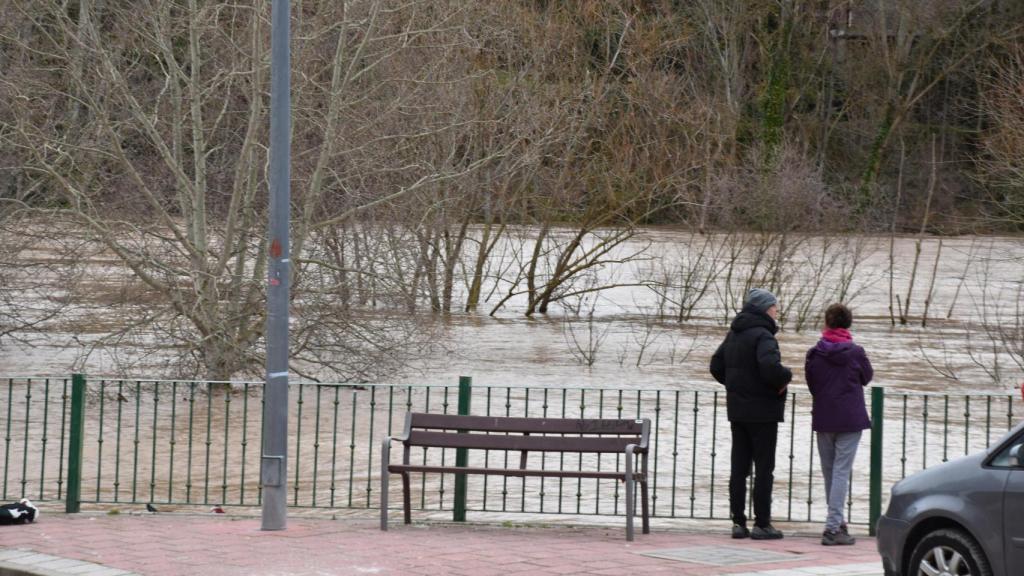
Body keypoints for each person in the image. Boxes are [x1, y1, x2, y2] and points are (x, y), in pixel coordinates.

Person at [711, 288, 792, 540]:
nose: (777, 311)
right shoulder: (764, 336)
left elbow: (716, 365)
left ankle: (738, 523)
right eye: (775, 307)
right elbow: (770, 367)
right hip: (764, 413)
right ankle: (762, 523)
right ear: (766, 309)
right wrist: (785, 376)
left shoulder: (734, 334)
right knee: (764, 469)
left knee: (739, 468)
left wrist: (736, 386)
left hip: (738, 411)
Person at [805, 303, 873, 546]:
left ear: (827, 323)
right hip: (850, 418)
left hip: (824, 418)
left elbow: (812, 385)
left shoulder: (814, 353)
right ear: (848, 324)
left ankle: (838, 523)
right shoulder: (856, 352)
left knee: (829, 473)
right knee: (841, 473)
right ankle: (833, 528)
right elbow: (867, 377)